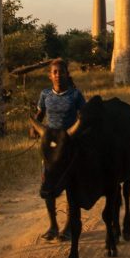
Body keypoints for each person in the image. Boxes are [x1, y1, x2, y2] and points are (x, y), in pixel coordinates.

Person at [32, 58, 86, 241]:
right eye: (54, 72)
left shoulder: (75, 95)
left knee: (71, 186)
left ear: (67, 74)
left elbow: (83, 117)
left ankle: (69, 226)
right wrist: (33, 127)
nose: (58, 75)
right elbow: (39, 115)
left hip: (68, 146)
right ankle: (53, 225)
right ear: (50, 75)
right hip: (50, 146)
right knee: (48, 184)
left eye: (61, 72)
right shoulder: (45, 95)